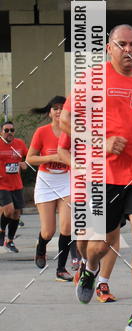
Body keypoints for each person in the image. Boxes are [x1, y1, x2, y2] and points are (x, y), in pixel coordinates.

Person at [61, 24, 132, 331]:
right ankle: (90, 268)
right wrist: (100, 142)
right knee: (100, 245)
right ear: (109, 48)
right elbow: (66, 120)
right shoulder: (92, 79)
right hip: (103, 174)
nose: (128, 50)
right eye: (121, 44)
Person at [56, 130, 116, 302]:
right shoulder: (79, 120)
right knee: (83, 236)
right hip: (82, 184)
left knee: (112, 235)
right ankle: (86, 262)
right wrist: (77, 166)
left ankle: (102, 283)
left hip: (113, 181)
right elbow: (62, 150)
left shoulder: (121, 116)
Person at [26, 96, 74, 281]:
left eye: (62, 107)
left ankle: (61, 269)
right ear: (50, 113)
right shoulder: (42, 132)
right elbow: (30, 158)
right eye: (55, 108)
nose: (59, 111)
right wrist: (51, 158)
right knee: (48, 231)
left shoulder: (73, 132)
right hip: (46, 181)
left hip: (66, 180)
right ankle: (41, 248)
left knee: (67, 227)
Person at [0, 121, 28, 253]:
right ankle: (1, 230)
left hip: (17, 184)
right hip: (2, 184)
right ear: (1, 132)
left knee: (16, 214)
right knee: (9, 210)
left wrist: (25, 164)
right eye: (6, 130)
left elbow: (29, 157)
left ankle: (10, 240)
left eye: (12, 130)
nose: (9, 133)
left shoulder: (19, 143)